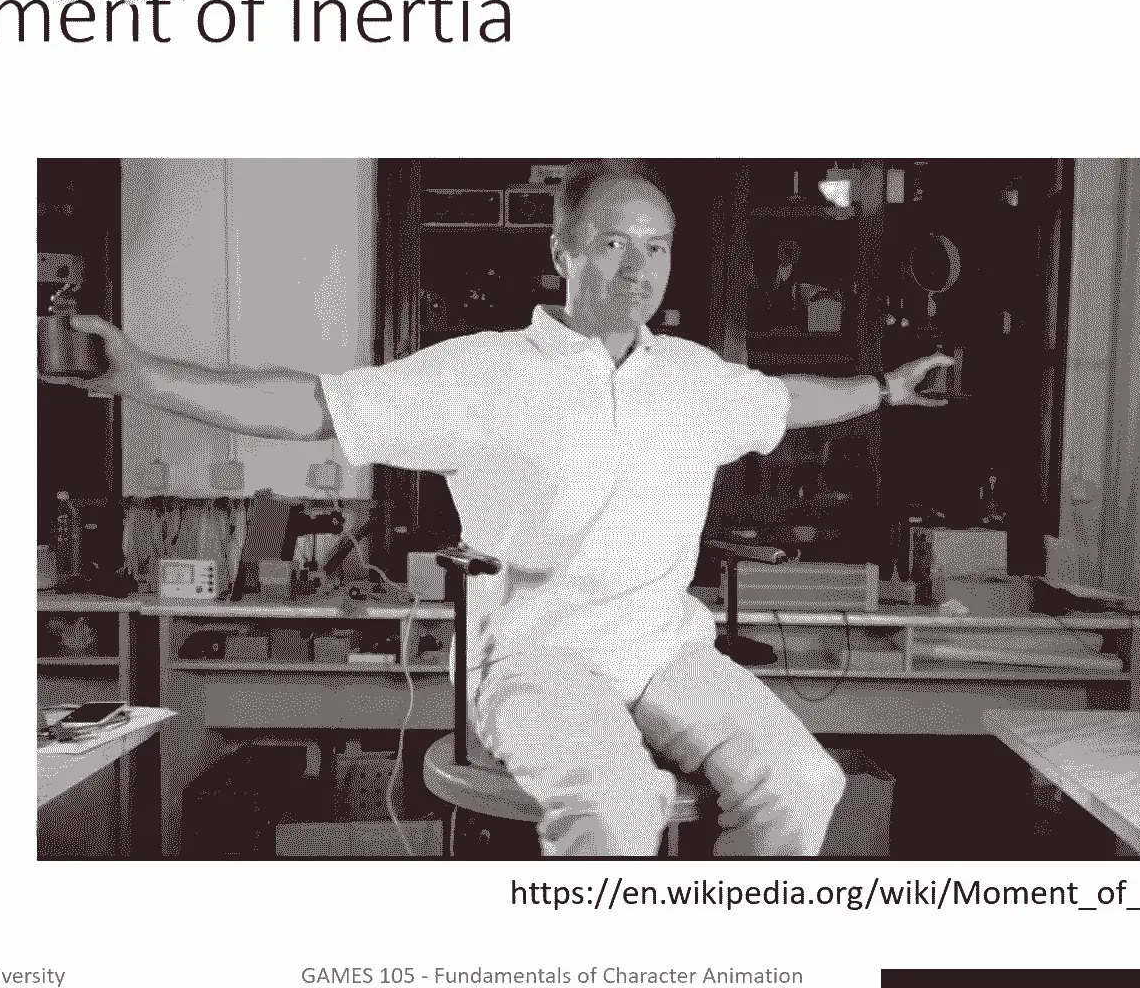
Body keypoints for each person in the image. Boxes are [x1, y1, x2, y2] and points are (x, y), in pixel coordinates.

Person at [47, 159, 954, 856]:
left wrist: (884, 387)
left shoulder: (697, 381)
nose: (638, 267)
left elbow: (789, 401)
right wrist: (145, 378)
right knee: (617, 806)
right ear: (561, 252)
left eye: (656, 246)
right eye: (612, 243)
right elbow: (314, 405)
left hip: (665, 653)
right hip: (535, 661)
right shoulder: (483, 373)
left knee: (803, 781)